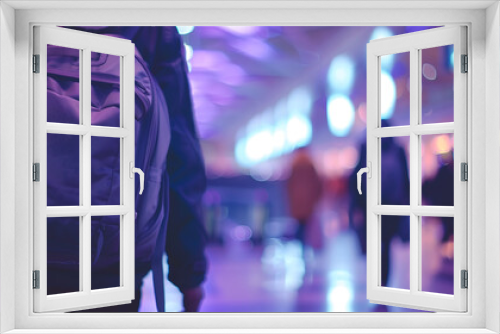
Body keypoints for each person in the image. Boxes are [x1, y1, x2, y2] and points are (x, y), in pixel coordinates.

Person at [46, 26, 208, 312]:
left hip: (17, 247)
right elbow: (178, 152)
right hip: (113, 262)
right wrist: (189, 270)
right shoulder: (151, 24)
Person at [286, 146, 322, 245]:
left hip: (297, 203)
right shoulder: (310, 166)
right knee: (308, 227)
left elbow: (288, 186)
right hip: (309, 202)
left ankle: (301, 245)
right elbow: (318, 184)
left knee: (300, 226)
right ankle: (307, 247)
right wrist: (316, 199)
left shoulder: (293, 166)